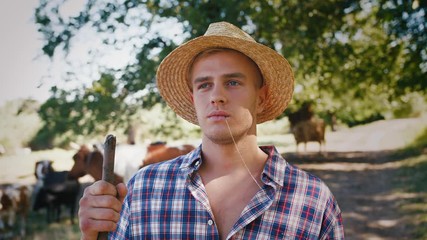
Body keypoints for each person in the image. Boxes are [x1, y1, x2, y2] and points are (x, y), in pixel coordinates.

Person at [78, 21, 344, 239]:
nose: (216, 96)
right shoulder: (145, 189)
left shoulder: (312, 200)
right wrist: (91, 236)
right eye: (204, 85)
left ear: (261, 98)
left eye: (232, 82)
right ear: (194, 99)